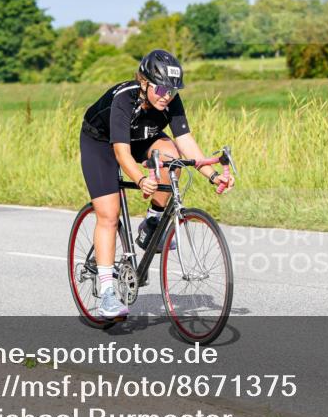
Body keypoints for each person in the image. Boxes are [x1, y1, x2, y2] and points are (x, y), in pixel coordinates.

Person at [79, 49, 235, 319]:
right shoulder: (125, 98)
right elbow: (121, 154)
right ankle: (107, 294)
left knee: (172, 156)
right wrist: (140, 179)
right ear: (144, 82)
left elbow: (186, 143)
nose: (167, 96)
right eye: (161, 89)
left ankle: (152, 223)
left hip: (142, 138)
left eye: (172, 91)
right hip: (102, 143)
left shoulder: (170, 100)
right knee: (109, 214)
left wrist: (212, 176)